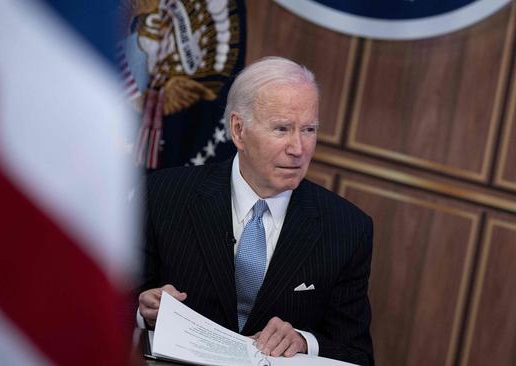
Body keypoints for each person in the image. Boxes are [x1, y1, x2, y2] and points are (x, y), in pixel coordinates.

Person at [137, 56, 374, 365]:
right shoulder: (164, 195)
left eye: (309, 129)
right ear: (239, 130)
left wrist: (305, 341)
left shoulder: (347, 228)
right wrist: (144, 310)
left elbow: (358, 355)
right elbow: (103, 301)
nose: (298, 148)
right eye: (282, 129)